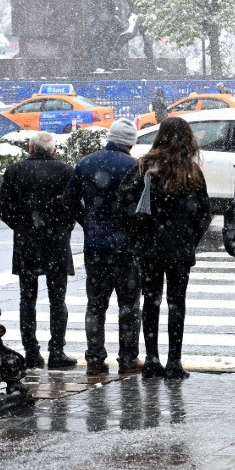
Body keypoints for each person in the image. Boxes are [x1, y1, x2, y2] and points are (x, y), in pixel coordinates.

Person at [118, 118, 212, 379]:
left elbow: (124, 202)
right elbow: (203, 213)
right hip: (179, 248)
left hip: (150, 247)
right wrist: (190, 239)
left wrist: (139, 233)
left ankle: (151, 358)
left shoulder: (145, 167)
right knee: (176, 303)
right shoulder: (191, 171)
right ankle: (174, 361)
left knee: (151, 300)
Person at [65, 120, 142, 376]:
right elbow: (142, 209)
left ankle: (95, 359)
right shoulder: (134, 167)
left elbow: (69, 199)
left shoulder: (86, 163)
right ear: (130, 142)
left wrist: (87, 222)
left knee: (96, 304)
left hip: (95, 246)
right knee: (129, 305)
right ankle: (128, 358)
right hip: (126, 247)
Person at [0, 132, 77, 370]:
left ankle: (31, 352)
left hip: (27, 243)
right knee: (57, 299)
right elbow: (73, 206)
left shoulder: (15, 171)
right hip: (57, 243)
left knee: (27, 299)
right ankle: (57, 351)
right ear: (54, 150)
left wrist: (22, 226)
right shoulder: (66, 171)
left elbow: (2, 208)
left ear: (31, 148)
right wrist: (64, 226)